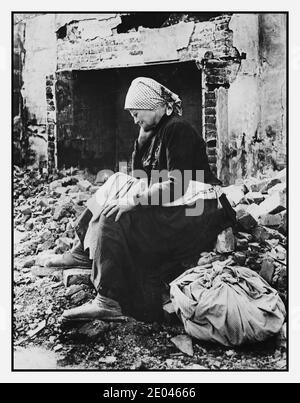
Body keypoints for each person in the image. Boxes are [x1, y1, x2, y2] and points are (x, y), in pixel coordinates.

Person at [45, 77, 236, 323]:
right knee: (115, 185)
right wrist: (139, 148)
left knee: (114, 216)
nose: (135, 120)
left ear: (155, 106)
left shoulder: (177, 129)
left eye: (137, 114)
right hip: (174, 201)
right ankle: (81, 249)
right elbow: (139, 179)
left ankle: (108, 300)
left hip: (198, 209)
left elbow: (178, 185)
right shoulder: (148, 134)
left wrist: (134, 202)